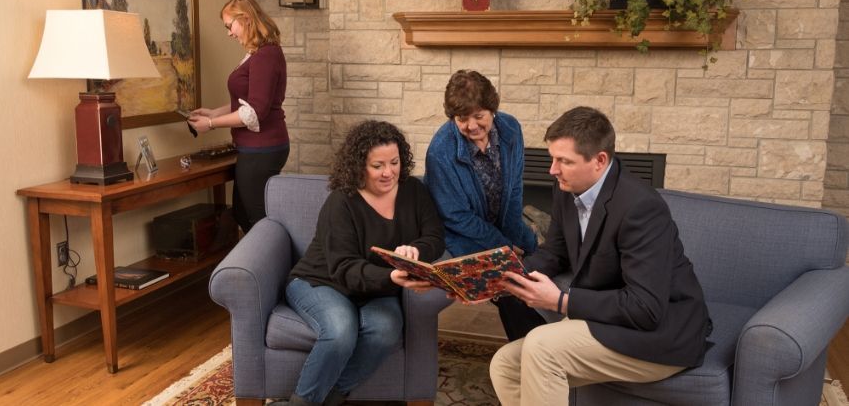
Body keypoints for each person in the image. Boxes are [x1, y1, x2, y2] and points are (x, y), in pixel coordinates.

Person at [489, 106, 712, 406]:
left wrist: (559, 301)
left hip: (659, 333)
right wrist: (503, 276)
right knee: (503, 364)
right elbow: (555, 252)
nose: (552, 170)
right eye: (553, 158)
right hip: (607, 320)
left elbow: (646, 308)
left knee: (542, 348)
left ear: (600, 160)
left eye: (564, 161)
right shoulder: (567, 190)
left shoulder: (640, 208)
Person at [281, 120, 445, 406]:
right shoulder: (340, 202)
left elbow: (434, 237)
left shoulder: (413, 191)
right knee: (339, 331)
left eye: (394, 162)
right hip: (322, 282)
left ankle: (331, 397)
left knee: (385, 331)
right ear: (359, 166)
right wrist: (391, 277)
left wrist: (416, 249)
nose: (388, 172)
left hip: (377, 288)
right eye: (377, 165)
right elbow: (343, 268)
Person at [424, 69, 538, 340]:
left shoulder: (511, 129)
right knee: (508, 282)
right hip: (462, 233)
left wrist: (514, 239)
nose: (472, 125)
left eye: (479, 116)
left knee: (540, 262)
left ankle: (557, 345)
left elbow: (514, 192)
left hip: (503, 223)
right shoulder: (440, 150)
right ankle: (527, 352)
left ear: (492, 110)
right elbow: (455, 216)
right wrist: (504, 248)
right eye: (463, 118)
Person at [188, 0, 289, 233]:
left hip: (262, 149)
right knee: (244, 215)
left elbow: (254, 113)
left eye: (229, 26)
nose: (229, 33)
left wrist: (211, 123)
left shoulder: (265, 56)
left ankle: (282, 269)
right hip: (255, 148)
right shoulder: (257, 54)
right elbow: (246, 102)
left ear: (245, 19)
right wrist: (214, 112)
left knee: (258, 221)